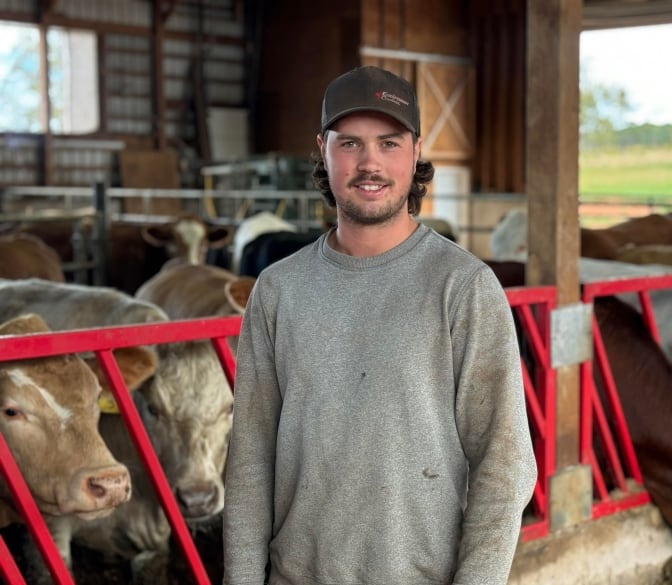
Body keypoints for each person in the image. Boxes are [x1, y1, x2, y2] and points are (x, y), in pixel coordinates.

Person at [223, 65, 537, 585]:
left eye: (389, 143)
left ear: (415, 152)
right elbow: (251, 457)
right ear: (323, 149)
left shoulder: (463, 287)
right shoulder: (278, 290)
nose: (370, 162)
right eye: (351, 143)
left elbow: (504, 466)